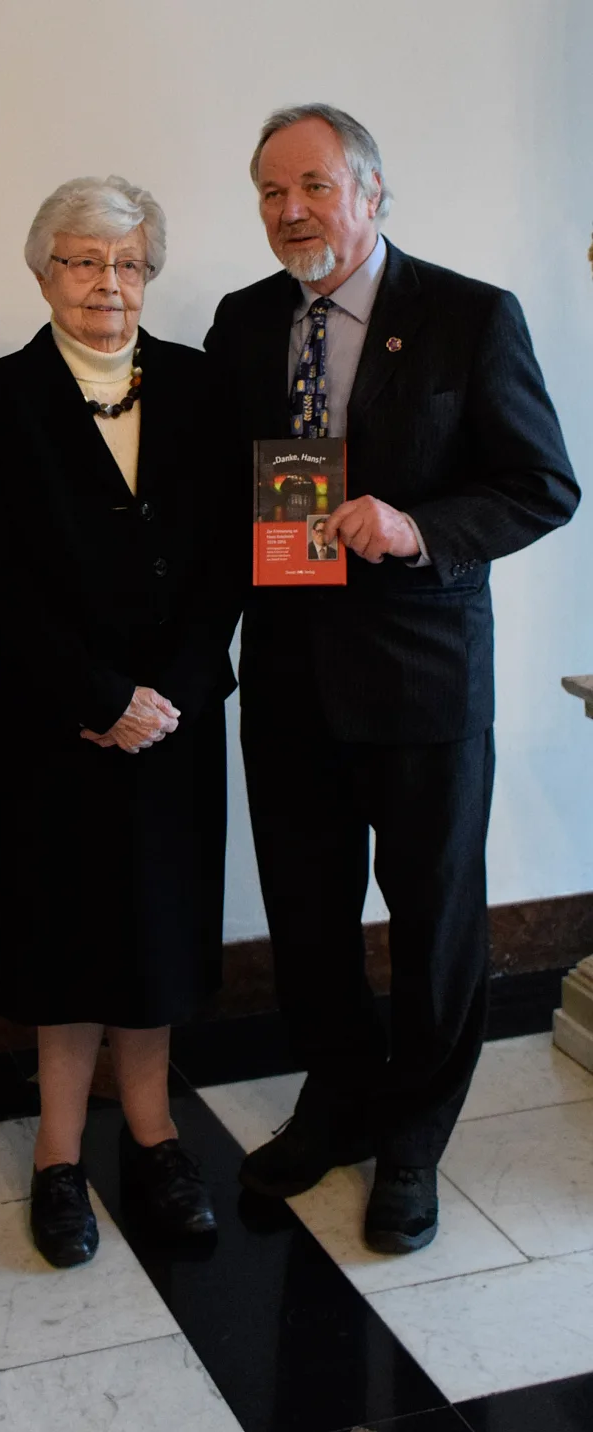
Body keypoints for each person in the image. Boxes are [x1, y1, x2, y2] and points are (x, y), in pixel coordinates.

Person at [205, 103, 578, 1254]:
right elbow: (224, 490)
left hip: (422, 679)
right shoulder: (244, 321)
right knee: (307, 913)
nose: (290, 211)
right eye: (270, 192)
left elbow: (541, 486)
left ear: (371, 193)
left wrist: (418, 527)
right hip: (285, 677)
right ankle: (337, 1093)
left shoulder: (468, 316)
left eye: (313, 186)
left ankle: (413, 1133)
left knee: (433, 916)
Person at [0, 175, 242, 1269]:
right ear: (42, 273)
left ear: (151, 275)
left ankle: (159, 1137)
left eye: (127, 262)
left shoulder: (208, 390)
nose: (106, 283)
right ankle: (59, 1152)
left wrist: (164, 692)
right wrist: (97, 696)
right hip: (52, 721)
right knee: (62, 928)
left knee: (159, 926)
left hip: (174, 715)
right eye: (82, 260)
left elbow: (229, 563)